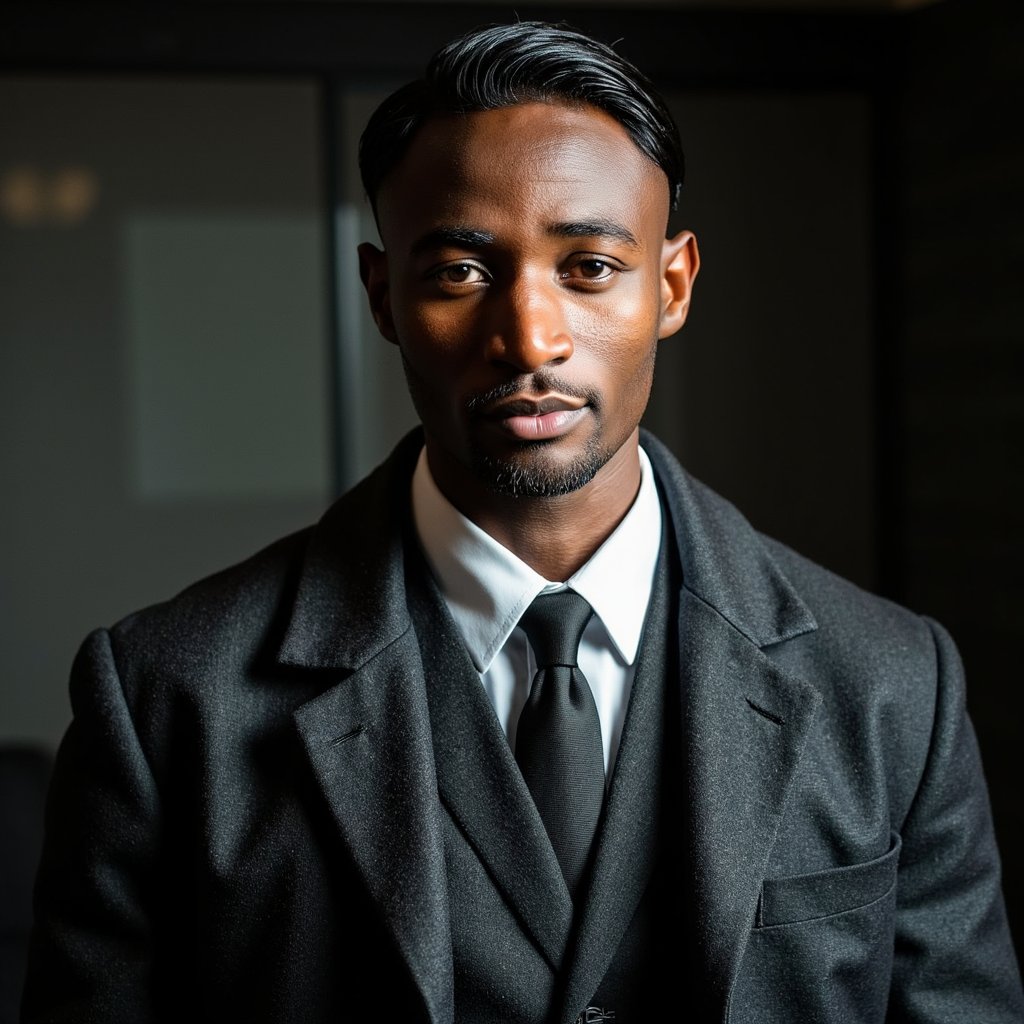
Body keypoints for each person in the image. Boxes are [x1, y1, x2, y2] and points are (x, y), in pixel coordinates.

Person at [22, 20, 1024, 1024]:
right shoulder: (168, 699)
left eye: (588, 267)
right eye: (459, 273)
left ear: (669, 286)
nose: (529, 338)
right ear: (383, 296)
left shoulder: (891, 685)